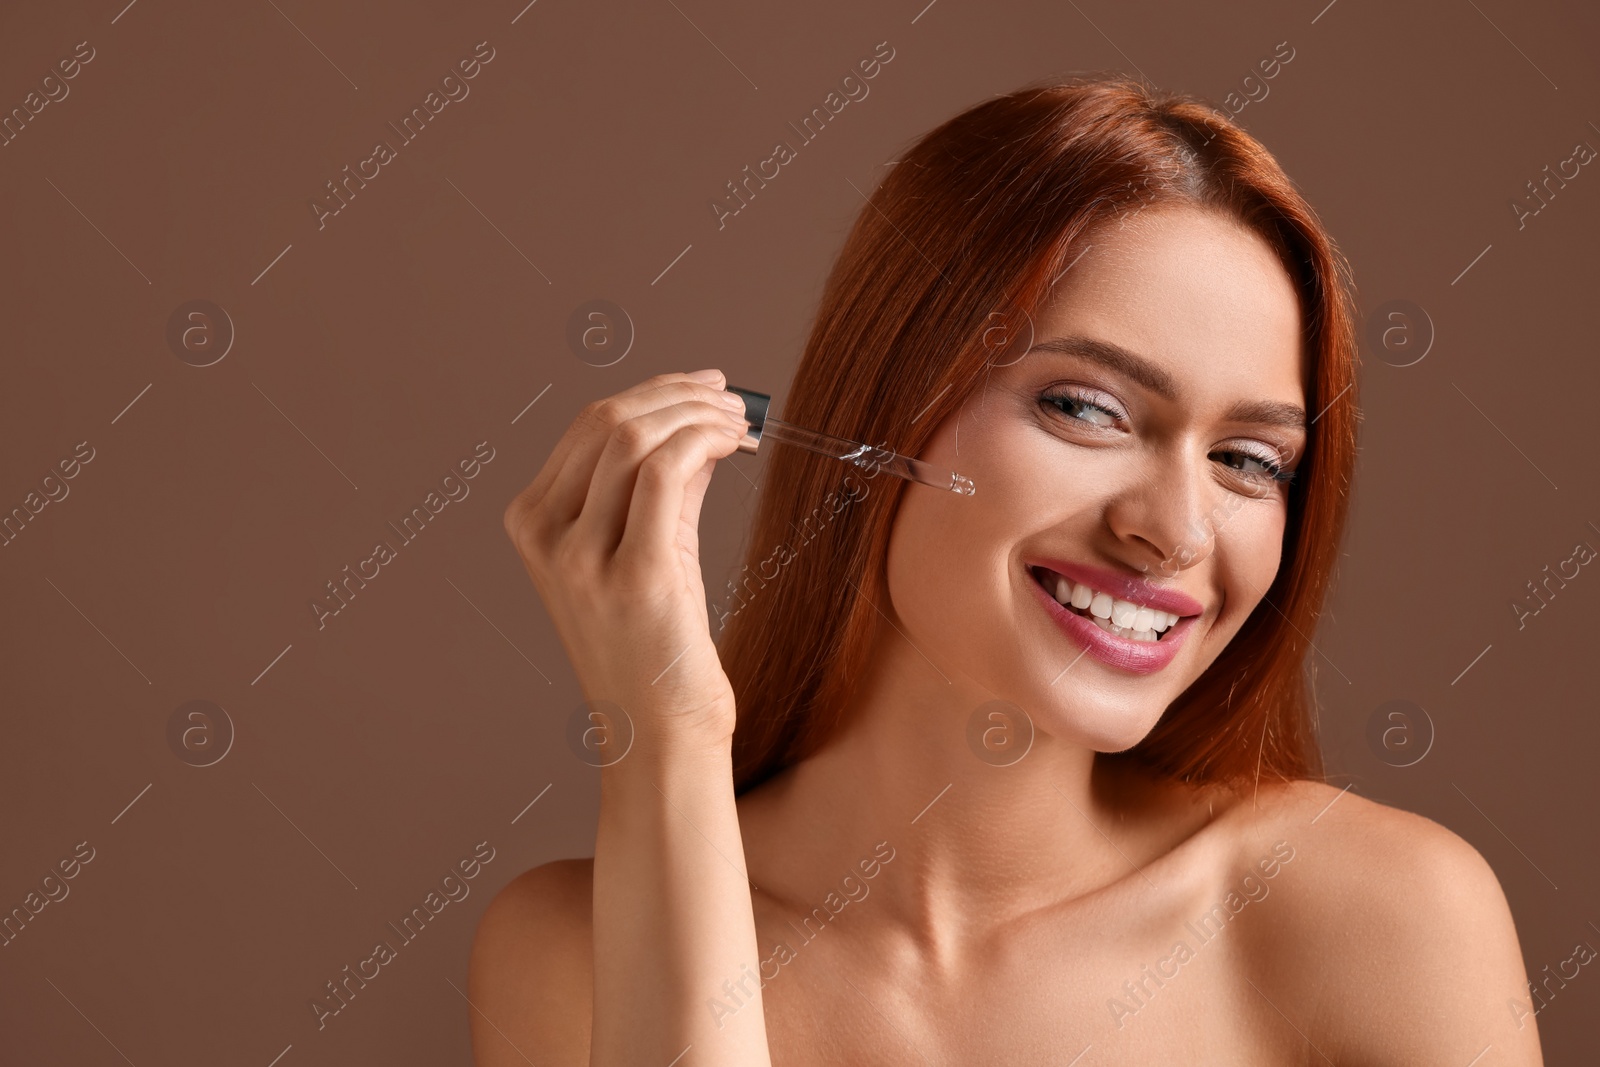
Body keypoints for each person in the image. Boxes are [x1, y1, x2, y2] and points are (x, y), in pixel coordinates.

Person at [468, 74, 1543, 1065]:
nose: (1175, 530)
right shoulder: (568, 945)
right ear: (879, 410)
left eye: (1245, 460)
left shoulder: (1385, 916)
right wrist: (666, 737)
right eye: (1084, 407)